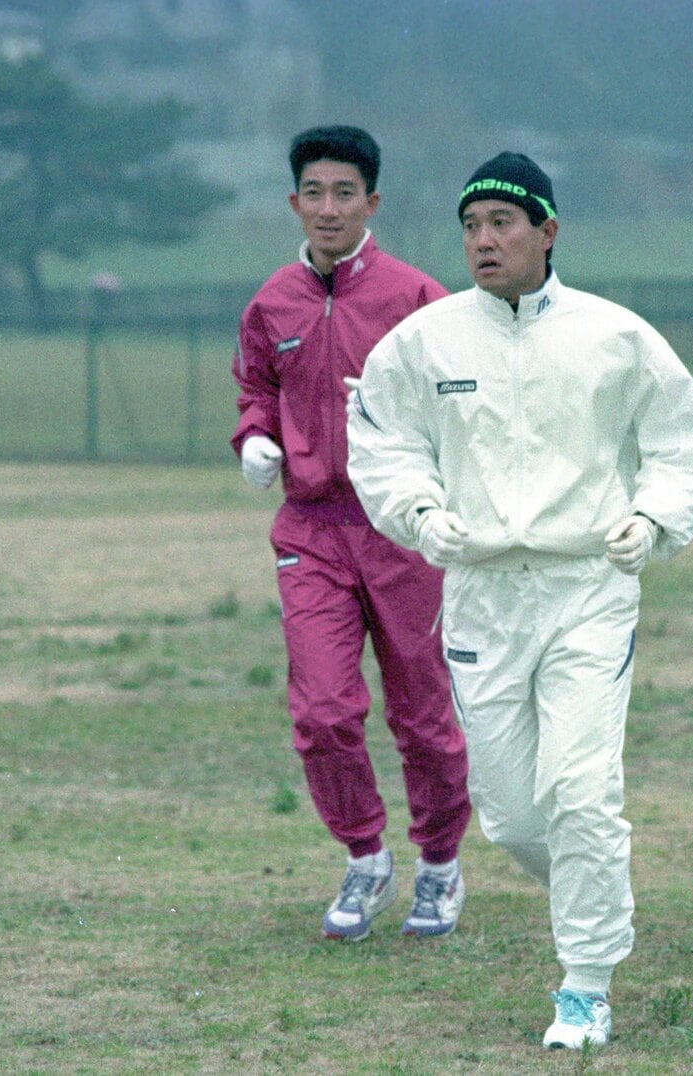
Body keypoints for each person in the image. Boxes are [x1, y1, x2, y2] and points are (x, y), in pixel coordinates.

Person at [346, 151, 693, 1049]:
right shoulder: (428, 340)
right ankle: (600, 892)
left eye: (503, 225)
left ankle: (585, 986)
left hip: (587, 589)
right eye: (472, 227)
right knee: (516, 813)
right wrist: (420, 515)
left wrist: (653, 517)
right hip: (482, 596)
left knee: (581, 793)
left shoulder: (613, 336)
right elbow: (381, 441)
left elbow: (689, 441)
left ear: (547, 232)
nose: (484, 241)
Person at [231, 125, 471, 942]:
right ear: (294, 202)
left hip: (402, 532)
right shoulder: (272, 302)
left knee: (422, 711)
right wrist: (255, 437)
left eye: (344, 193)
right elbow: (255, 389)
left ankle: (440, 863)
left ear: (372, 202)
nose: (327, 208)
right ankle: (365, 858)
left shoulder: (417, 300)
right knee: (326, 711)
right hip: (311, 530)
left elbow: (462, 403)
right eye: (313, 193)